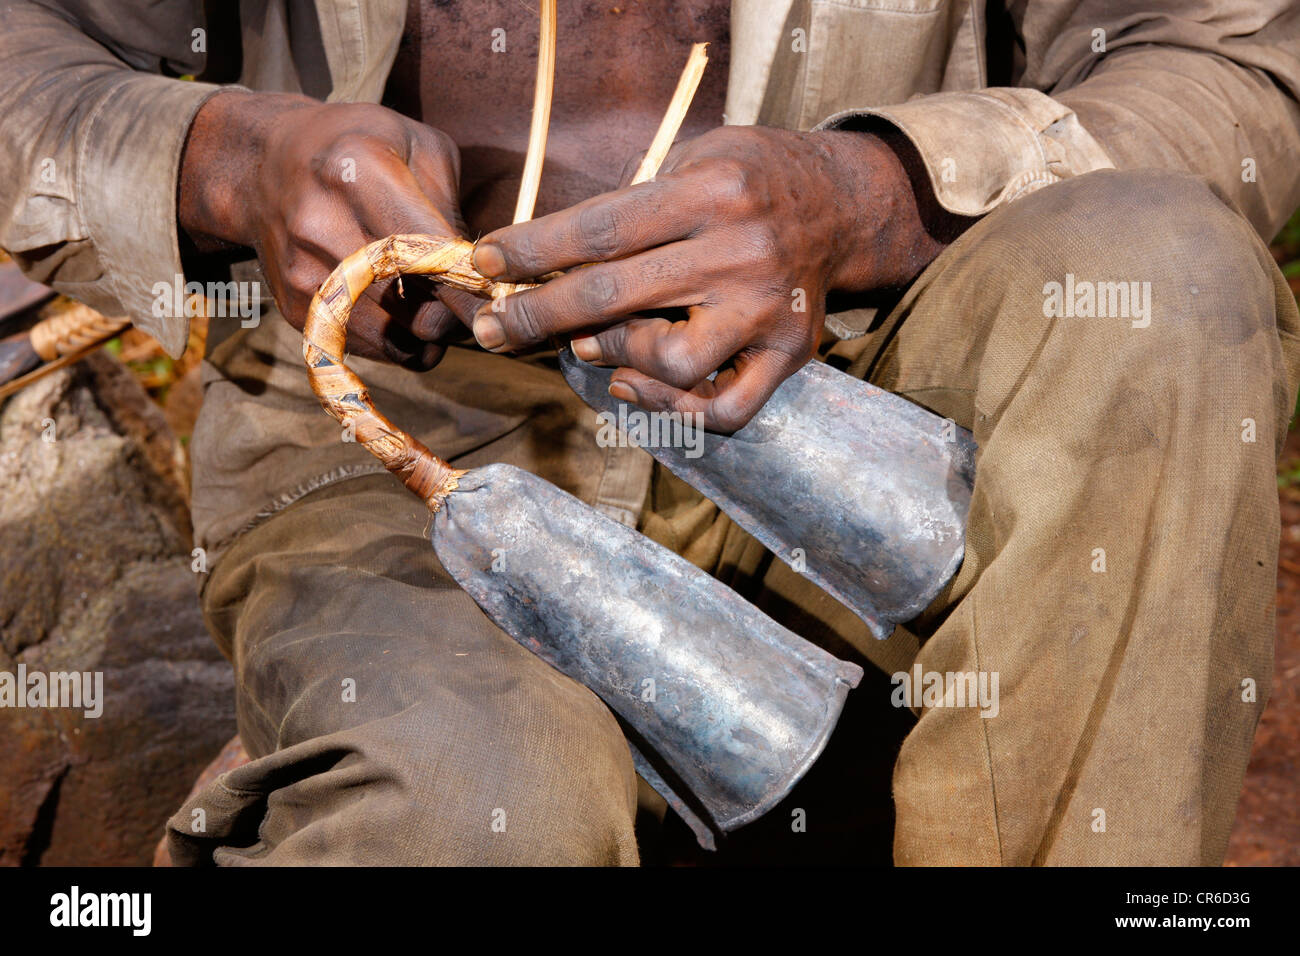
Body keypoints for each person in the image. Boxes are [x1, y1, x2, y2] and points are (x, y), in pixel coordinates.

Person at [1, 0, 1297, 865]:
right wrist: (225, 154)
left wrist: (877, 193)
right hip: (416, 451)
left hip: (873, 379)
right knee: (470, 810)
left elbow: (1241, 54)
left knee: (1164, 263)